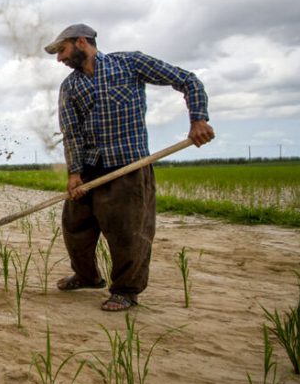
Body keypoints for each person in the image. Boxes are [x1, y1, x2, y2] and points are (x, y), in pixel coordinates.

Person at [44, 23, 215, 311]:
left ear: (82, 42)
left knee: (127, 232)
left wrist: (198, 119)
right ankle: (87, 276)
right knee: (75, 227)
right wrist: (74, 173)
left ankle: (126, 291)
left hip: (128, 166)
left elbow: (187, 80)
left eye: (62, 50)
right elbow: (71, 132)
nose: (59, 58)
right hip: (89, 169)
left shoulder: (130, 64)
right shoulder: (70, 86)